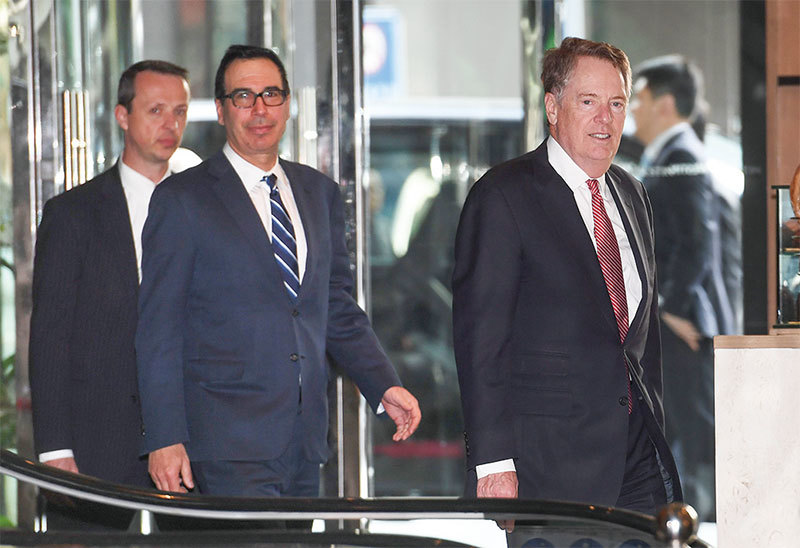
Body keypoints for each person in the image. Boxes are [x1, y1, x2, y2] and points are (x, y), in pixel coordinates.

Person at [136, 44, 421, 498]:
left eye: (271, 94)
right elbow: (158, 328)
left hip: (305, 442)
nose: (259, 109)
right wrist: (164, 437)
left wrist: (382, 383)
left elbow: (335, 306)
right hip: (225, 444)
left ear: (287, 104)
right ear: (221, 110)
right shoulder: (183, 199)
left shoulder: (319, 193)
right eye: (243, 97)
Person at [452, 37, 682, 523]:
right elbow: (481, 343)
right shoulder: (502, 196)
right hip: (549, 468)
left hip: (637, 460)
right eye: (588, 101)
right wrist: (493, 463)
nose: (605, 119)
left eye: (616, 103)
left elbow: (643, 340)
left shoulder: (633, 193)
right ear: (553, 108)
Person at [28, 60, 192, 526]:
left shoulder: (204, 209)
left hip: (189, 444)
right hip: (93, 443)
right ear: (122, 115)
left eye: (179, 111)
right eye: (156, 110)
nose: (170, 124)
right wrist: (54, 449)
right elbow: (50, 338)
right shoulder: (72, 213)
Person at [631, 55, 735, 520]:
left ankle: (701, 528)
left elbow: (696, 240)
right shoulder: (672, 155)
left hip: (685, 327)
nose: (632, 111)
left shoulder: (682, 158)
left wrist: (671, 306)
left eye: (638, 99)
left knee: (694, 438)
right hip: (679, 323)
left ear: (665, 104)